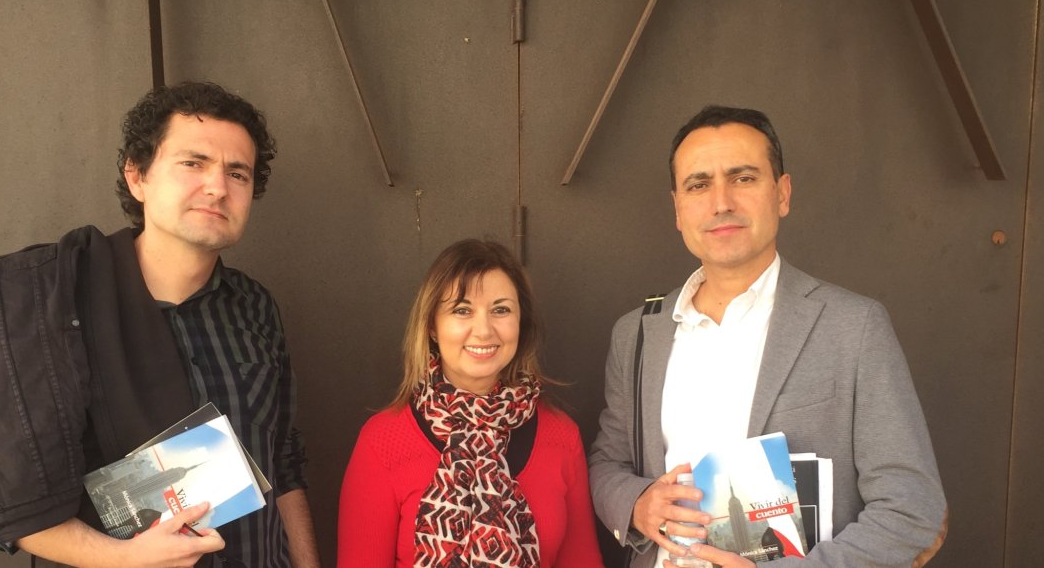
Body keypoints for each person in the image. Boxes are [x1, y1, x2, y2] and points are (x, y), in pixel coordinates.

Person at [0, 82, 320, 568]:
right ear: (138, 177)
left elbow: (281, 458)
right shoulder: (49, 302)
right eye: (193, 163)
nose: (218, 186)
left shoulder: (254, 306)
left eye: (237, 173)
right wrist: (122, 558)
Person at [588, 106, 947, 567]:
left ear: (782, 193)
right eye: (699, 185)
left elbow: (912, 507)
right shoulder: (636, 334)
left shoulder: (854, 328)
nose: (721, 202)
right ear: (677, 208)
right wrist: (637, 504)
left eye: (743, 178)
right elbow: (606, 464)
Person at [337, 239, 604, 567]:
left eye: (501, 309)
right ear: (432, 326)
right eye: (462, 310)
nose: (484, 329)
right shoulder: (383, 441)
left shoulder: (560, 436)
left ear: (521, 322)